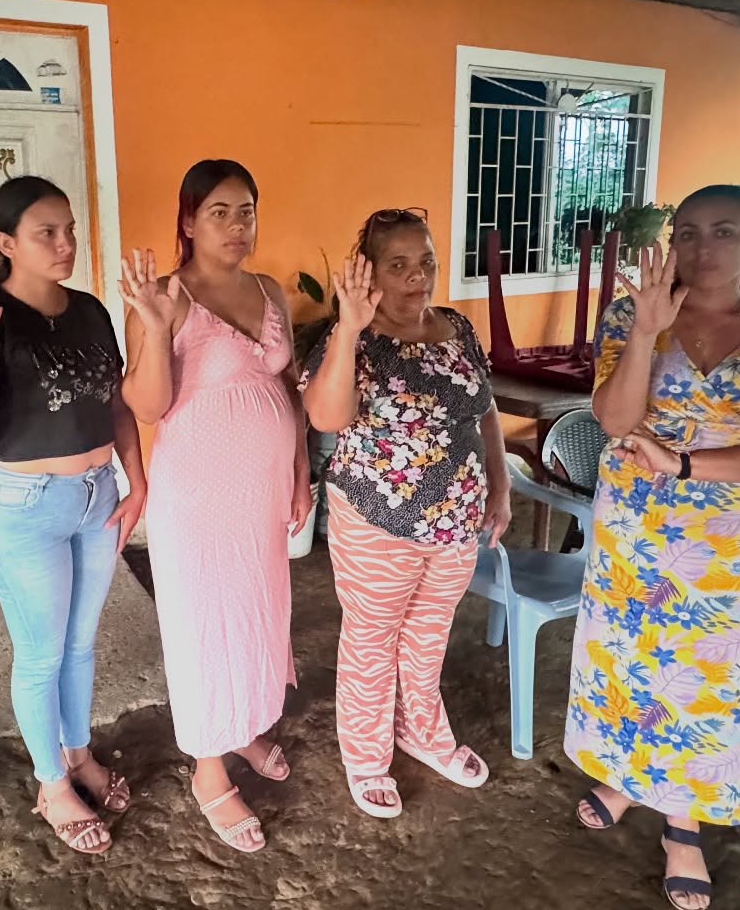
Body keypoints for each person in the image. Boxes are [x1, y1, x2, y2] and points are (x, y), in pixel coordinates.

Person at [564, 185, 740, 910]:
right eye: (687, 232)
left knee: (705, 678)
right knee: (630, 661)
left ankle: (684, 825)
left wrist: (687, 465)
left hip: (725, 540)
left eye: (724, 231)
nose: (702, 248)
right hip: (634, 530)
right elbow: (615, 419)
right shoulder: (631, 315)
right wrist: (647, 331)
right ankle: (626, 778)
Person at [0, 175, 146, 856]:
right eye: (46, 234)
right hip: (24, 506)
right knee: (41, 654)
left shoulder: (88, 310)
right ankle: (52, 784)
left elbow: (115, 403)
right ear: (6, 244)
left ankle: (78, 753)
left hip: (96, 495)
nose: (65, 244)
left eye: (69, 230)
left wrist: (135, 479)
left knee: (81, 644)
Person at [121, 159, 310, 853]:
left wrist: (300, 473)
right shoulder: (164, 297)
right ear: (188, 220)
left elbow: (288, 389)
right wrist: (150, 327)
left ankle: (246, 725)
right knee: (205, 621)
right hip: (198, 493)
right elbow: (147, 405)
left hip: (262, 489)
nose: (237, 225)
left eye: (247, 211)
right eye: (220, 212)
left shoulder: (269, 290)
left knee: (260, 609)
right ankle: (208, 768)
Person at [301, 208, 510, 820]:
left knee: (428, 636)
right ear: (369, 271)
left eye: (426, 262)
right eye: (398, 264)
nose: (418, 276)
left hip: (457, 521)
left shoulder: (456, 327)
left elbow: (484, 410)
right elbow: (326, 416)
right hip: (377, 521)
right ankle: (367, 758)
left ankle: (421, 729)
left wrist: (499, 487)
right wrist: (349, 328)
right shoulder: (352, 338)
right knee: (372, 641)